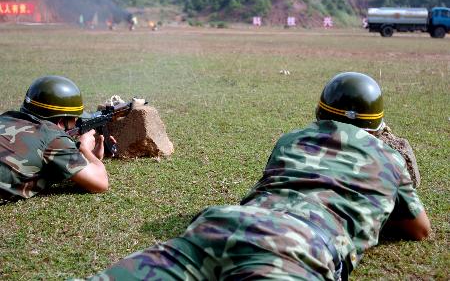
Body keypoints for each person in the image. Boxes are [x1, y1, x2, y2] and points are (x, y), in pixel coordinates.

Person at [86, 72, 430, 280]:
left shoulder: (293, 139)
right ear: (377, 125)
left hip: (223, 225)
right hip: (299, 247)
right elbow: (419, 229)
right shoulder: (389, 159)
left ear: (321, 112)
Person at [0, 76, 110, 202]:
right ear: (61, 122)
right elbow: (100, 183)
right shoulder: (51, 136)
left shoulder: (6, 117)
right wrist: (85, 149)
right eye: (75, 119)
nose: (77, 122)